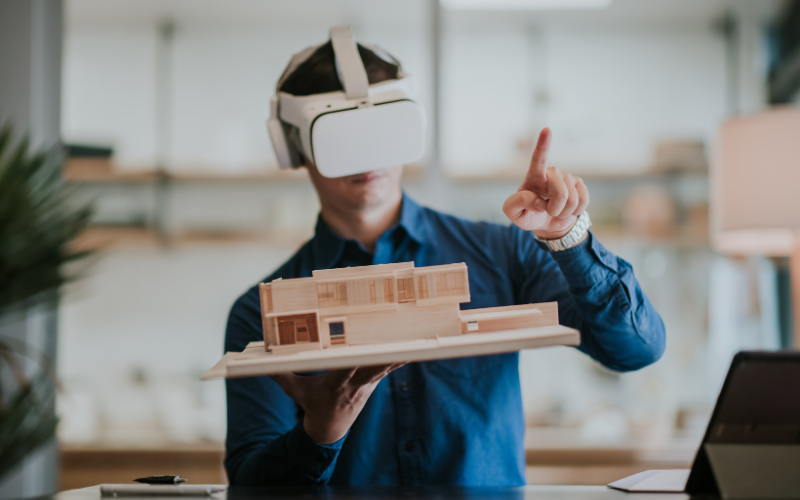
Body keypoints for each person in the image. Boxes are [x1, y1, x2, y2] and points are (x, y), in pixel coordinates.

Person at [224, 37, 665, 487]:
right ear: (293, 147)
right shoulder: (262, 313)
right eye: (338, 134)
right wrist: (319, 433)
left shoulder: (503, 254)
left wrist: (567, 238)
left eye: (380, 128)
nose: (367, 154)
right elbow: (250, 485)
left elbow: (635, 350)